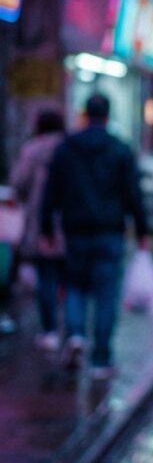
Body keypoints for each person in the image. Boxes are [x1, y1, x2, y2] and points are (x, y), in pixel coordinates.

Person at [41, 93, 148, 378]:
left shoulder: (66, 148)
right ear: (108, 115)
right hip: (109, 233)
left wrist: (46, 228)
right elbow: (133, 194)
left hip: (75, 231)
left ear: (86, 114)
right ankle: (101, 359)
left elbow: (50, 191)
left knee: (74, 286)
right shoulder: (119, 149)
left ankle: (75, 335)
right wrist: (142, 231)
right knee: (105, 294)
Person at [10, 109, 66, 350]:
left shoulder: (32, 150)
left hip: (40, 222)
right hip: (70, 224)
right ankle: (73, 330)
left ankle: (50, 329)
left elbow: (18, 184)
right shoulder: (69, 148)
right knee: (69, 278)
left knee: (46, 276)